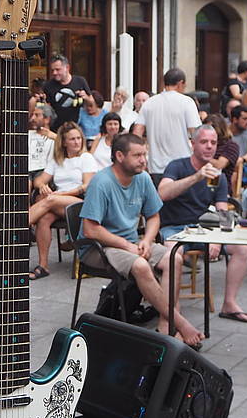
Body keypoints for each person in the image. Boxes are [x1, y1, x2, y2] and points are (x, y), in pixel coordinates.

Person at [80, 134, 205, 347]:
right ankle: (180, 323)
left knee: (173, 257)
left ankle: (166, 324)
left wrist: (147, 240)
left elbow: (154, 216)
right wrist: (127, 245)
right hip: (99, 247)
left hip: (131, 242)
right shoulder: (101, 182)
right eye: (137, 155)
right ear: (119, 156)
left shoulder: (143, 178)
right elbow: (90, 229)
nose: (143, 160)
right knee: (140, 265)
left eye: (144, 154)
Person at [157, 127, 247, 323]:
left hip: (204, 231)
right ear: (192, 143)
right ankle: (171, 313)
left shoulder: (217, 174)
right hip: (174, 227)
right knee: (171, 254)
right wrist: (196, 177)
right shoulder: (177, 166)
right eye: (204, 142)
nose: (209, 146)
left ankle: (229, 304)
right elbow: (163, 193)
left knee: (243, 248)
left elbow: (222, 211)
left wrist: (218, 239)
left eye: (213, 143)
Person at [28, 122, 98, 279]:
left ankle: (20, 224)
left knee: (49, 200)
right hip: (58, 202)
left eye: (79, 138)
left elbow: (86, 186)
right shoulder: (58, 159)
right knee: (44, 218)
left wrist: (60, 195)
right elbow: (39, 180)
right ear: (64, 142)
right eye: (72, 139)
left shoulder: (86, 158)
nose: (77, 142)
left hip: (80, 202)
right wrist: (42, 186)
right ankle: (43, 266)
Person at [133, 68, 201, 179]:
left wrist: (139, 157)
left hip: (156, 167)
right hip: (182, 165)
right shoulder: (187, 102)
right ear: (180, 84)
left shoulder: (149, 102)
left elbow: (137, 132)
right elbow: (196, 133)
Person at [43, 54, 91, 131]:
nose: (54, 73)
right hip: (56, 129)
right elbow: (46, 109)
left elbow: (92, 103)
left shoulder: (80, 81)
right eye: (52, 70)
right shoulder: (48, 86)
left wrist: (86, 98)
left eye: (58, 69)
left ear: (67, 68)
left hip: (78, 128)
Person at [206, 113, 241, 190]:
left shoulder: (231, 146)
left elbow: (219, 165)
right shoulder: (203, 144)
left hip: (219, 187)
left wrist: (200, 157)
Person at [27, 104, 58, 177]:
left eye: (37, 115)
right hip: (26, 169)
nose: (32, 118)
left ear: (47, 119)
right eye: (32, 115)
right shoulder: (26, 134)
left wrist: (55, 137)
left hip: (45, 171)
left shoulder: (55, 137)